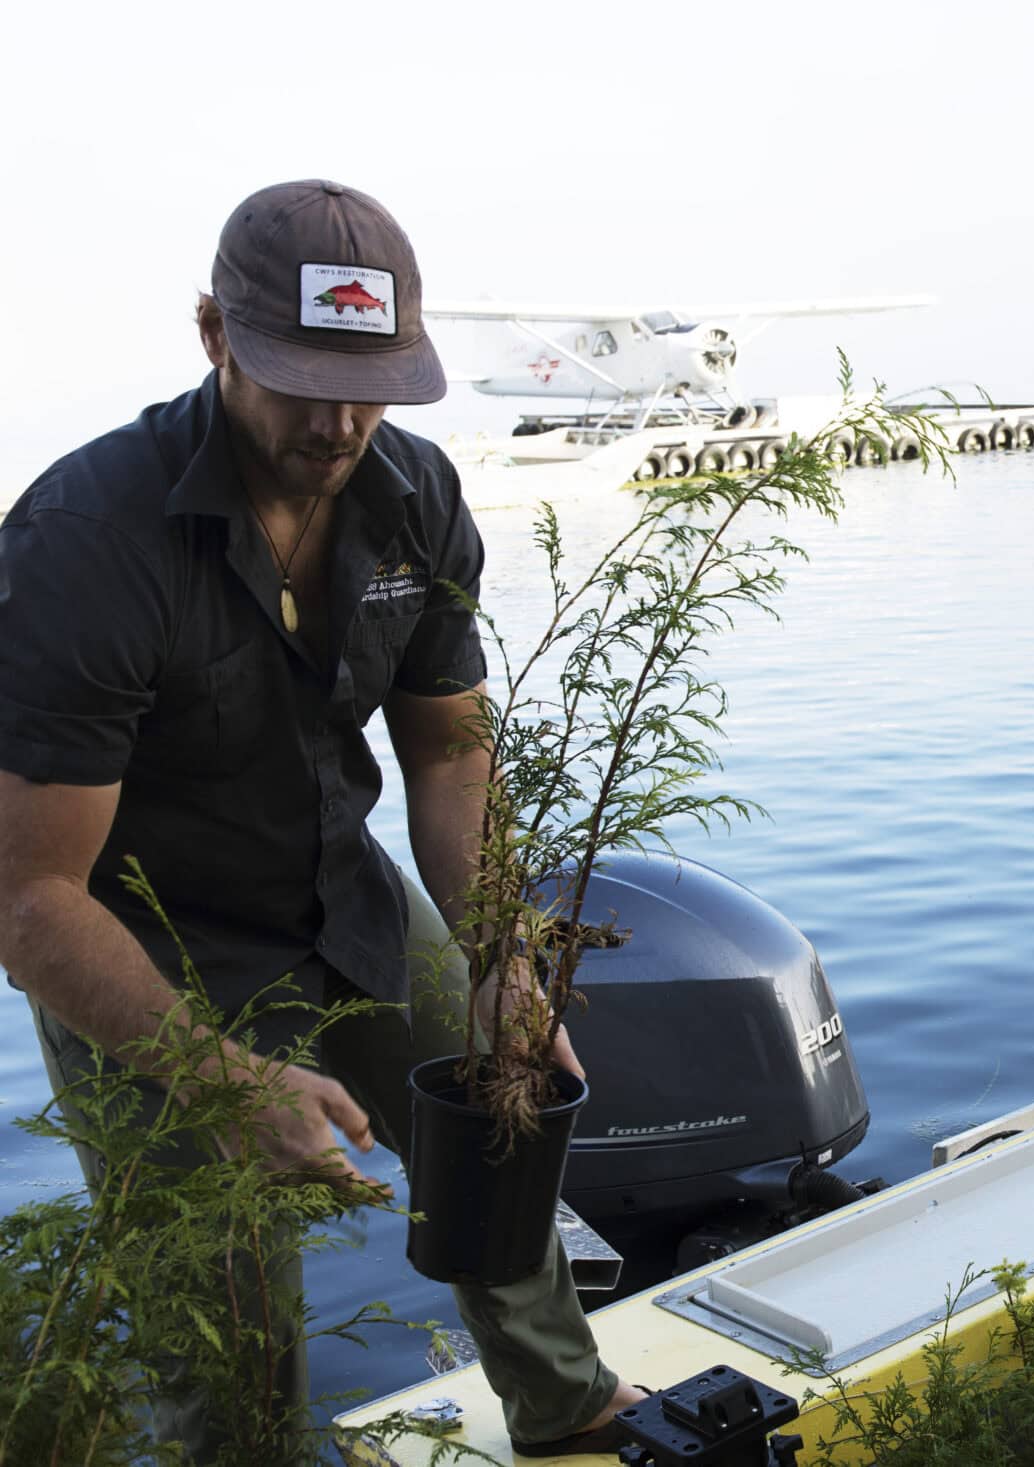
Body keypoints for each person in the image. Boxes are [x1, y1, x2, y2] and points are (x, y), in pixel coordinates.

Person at [0, 180, 646, 1458]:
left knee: (497, 1110)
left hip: (338, 891)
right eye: (302, 377)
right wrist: (221, 1076)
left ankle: (568, 1409)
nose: (341, 419)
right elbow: (27, 900)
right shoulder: (86, 541)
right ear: (213, 334)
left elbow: (451, 753)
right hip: (147, 941)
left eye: (375, 380)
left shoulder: (413, 492)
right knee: (228, 1326)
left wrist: (498, 952)